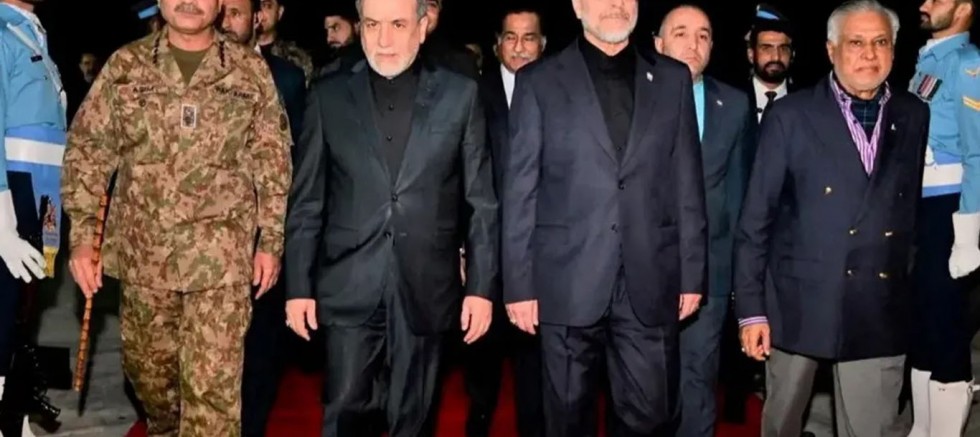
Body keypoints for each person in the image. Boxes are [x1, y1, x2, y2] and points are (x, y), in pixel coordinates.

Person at [61, 0, 293, 435]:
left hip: (221, 263)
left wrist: (270, 241)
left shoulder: (248, 71)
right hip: (144, 258)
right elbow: (88, 153)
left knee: (212, 395)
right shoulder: (125, 66)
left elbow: (273, 162)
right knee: (151, 380)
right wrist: (83, 237)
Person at [283, 0, 497, 435]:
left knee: (413, 419)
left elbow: (481, 202)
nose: (383, 39)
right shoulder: (328, 95)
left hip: (427, 286)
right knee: (343, 410)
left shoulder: (461, 94)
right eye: (372, 24)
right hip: (348, 283)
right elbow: (307, 201)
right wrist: (298, 287)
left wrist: (480, 288)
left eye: (398, 24)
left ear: (423, 26)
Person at [501, 0, 707, 434]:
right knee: (566, 419)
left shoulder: (671, 80)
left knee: (650, 417)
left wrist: (692, 274)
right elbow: (520, 190)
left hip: (649, 280)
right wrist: (519, 285)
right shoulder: (538, 81)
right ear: (577, 5)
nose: (616, 4)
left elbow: (686, 183)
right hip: (565, 282)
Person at [735, 1, 929, 436]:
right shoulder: (791, 116)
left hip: (877, 307)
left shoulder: (914, 114)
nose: (869, 54)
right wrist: (751, 312)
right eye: (856, 42)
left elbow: (911, 218)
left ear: (894, 50)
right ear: (831, 50)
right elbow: (755, 222)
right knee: (782, 425)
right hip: (797, 305)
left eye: (881, 42)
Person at [654, 5, 755, 437]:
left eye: (703, 35)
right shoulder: (631, 97)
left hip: (709, 273)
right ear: (658, 43)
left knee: (697, 380)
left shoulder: (733, 105)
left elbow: (739, 196)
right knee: (645, 386)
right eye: (680, 33)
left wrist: (736, 281)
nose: (693, 43)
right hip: (642, 270)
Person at [218, 1, 304, 436]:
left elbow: (299, 160)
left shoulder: (286, 78)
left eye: (237, 12)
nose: (228, 20)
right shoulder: (197, 72)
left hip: (263, 238)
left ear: (256, 18)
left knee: (259, 352)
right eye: (223, 10)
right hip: (209, 240)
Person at [464, 6, 546, 437]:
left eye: (529, 38)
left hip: (542, 252)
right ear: (497, 44)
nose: (519, 47)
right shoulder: (473, 94)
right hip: (488, 248)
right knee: (484, 355)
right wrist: (463, 245)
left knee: (536, 362)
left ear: (542, 45)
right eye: (510, 37)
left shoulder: (559, 92)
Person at [907, 0, 980, 435]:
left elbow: (978, 152)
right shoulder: (929, 61)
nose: (924, 4)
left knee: (947, 327)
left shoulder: (967, 63)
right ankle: (922, 427)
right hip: (921, 207)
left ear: (964, 7)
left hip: (949, 208)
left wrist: (967, 234)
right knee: (921, 326)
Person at [0, 0, 66, 436]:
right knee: (3, 310)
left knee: (20, 316)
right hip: (14, 193)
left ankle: (12, 415)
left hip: (41, 193)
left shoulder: (29, 29)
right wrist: (0, 219)